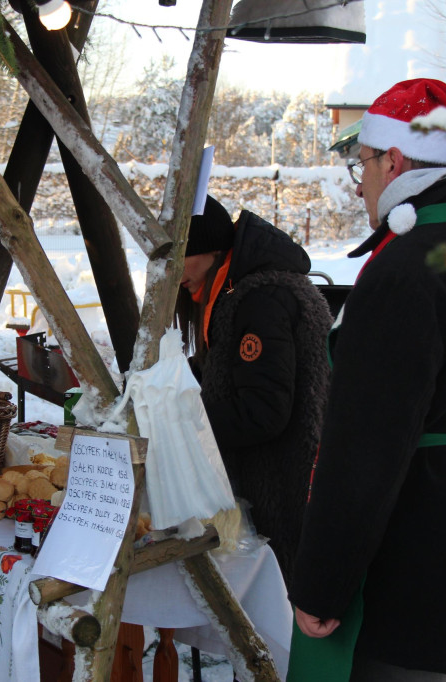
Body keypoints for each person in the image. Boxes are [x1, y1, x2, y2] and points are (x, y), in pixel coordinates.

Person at [290, 79, 446, 682]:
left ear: (394, 160)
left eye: (363, 166)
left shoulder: (407, 273)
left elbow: (364, 450)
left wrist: (322, 585)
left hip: (406, 568)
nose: (360, 185)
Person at [176, 195, 332, 604]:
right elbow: (229, 369)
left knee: (281, 614)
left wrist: (182, 418)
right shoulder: (237, 289)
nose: (177, 275)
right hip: (277, 479)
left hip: (285, 484)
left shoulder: (260, 298)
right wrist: (171, 380)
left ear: (211, 249)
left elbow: (263, 412)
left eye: (183, 257)